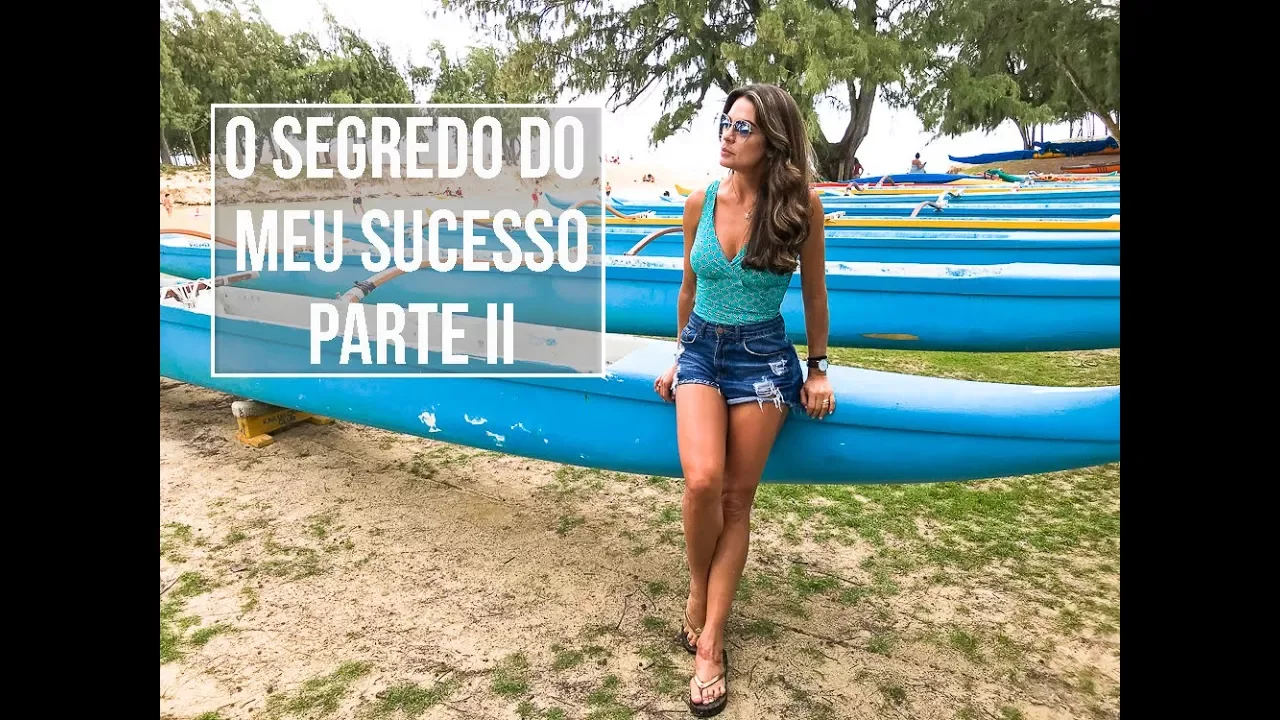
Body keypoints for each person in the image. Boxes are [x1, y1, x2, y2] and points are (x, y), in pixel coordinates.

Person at [652, 83, 834, 718]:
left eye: (743, 127)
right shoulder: (700, 201)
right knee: (702, 482)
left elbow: (815, 295)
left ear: (773, 141)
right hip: (702, 350)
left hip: (763, 361)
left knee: (736, 498)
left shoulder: (801, 208)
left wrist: (818, 369)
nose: (727, 135)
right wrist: (679, 354)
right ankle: (698, 587)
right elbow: (687, 289)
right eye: (725, 123)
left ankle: (711, 639)